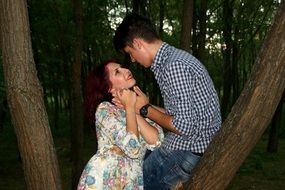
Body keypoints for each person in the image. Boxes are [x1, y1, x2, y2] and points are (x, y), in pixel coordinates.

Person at [114, 13, 222, 189]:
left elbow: (184, 126)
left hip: (187, 150)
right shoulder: (169, 61)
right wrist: (141, 106)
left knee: (130, 181)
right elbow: (178, 115)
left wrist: (146, 110)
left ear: (137, 44)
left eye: (130, 53)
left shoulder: (174, 66)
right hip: (192, 147)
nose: (132, 60)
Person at [77, 59, 164, 190]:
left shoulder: (136, 107)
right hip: (103, 179)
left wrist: (137, 108)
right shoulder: (105, 109)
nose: (126, 70)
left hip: (131, 181)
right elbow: (132, 148)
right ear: (109, 88)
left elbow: (157, 141)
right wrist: (129, 107)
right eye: (117, 72)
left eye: (122, 67)